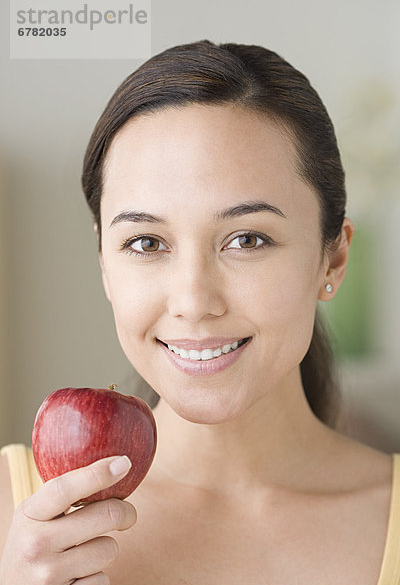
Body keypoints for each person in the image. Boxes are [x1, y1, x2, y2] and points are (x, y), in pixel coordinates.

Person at [0, 39, 398, 584]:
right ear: (104, 263)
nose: (193, 301)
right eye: (145, 243)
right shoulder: (13, 518)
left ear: (333, 257)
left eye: (248, 239)